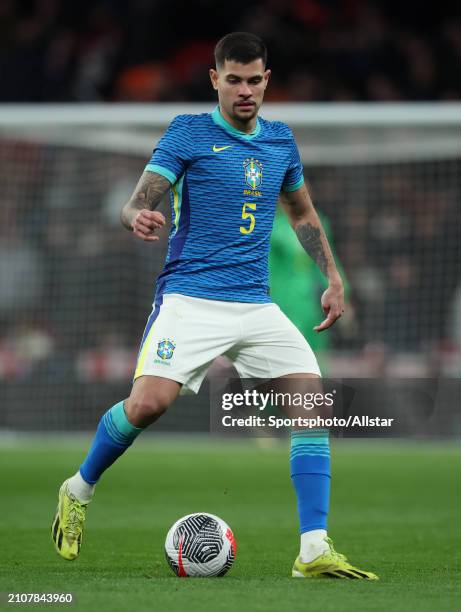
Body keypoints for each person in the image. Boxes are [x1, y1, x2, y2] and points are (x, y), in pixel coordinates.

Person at [51, 32, 377, 580]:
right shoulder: (189, 132)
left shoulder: (281, 141)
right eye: (234, 80)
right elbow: (140, 197)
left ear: (267, 81)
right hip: (191, 298)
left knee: (311, 401)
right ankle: (78, 488)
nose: (244, 90)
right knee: (148, 405)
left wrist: (334, 277)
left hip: (255, 303)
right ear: (215, 80)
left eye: (254, 80)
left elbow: (301, 213)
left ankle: (314, 548)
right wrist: (135, 214)